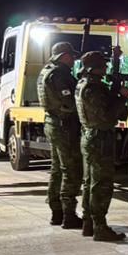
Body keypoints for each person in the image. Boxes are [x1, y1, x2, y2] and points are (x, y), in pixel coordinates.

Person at [75, 50, 128, 241]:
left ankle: (89, 223)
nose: (105, 67)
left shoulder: (85, 84)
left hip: (92, 136)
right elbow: (107, 115)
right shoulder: (92, 88)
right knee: (101, 184)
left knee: (90, 182)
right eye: (103, 65)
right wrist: (122, 97)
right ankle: (100, 227)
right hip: (99, 138)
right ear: (94, 68)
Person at [37, 42, 84, 227]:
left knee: (57, 170)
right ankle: (68, 214)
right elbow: (70, 102)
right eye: (71, 56)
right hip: (64, 126)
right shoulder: (60, 74)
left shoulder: (46, 71)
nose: (73, 59)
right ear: (63, 56)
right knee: (70, 170)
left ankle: (56, 212)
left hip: (53, 123)